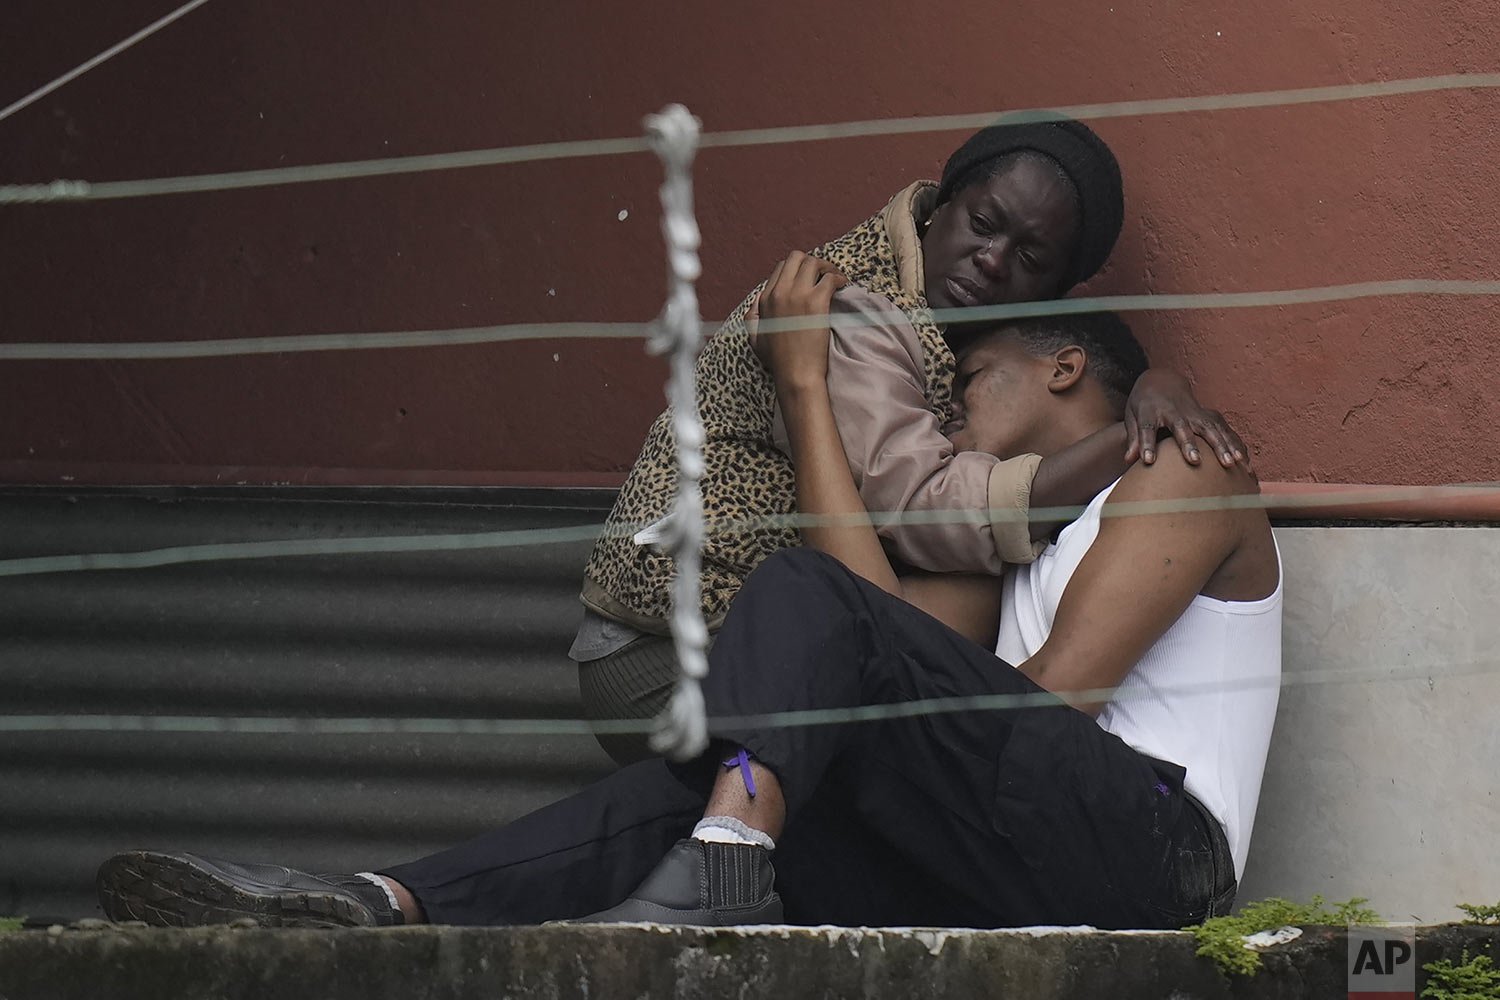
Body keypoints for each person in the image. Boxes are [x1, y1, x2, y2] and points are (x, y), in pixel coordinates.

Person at [96, 294, 1280, 930]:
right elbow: (860, 651)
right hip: (1027, 853)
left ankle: (730, 853)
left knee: (782, 683)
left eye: (971, 382)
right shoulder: (1010, 539)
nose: (953, 420)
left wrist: (847, 687)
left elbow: (1053, 701)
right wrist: (809, 386)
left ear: (1067, 366)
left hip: (1153, 854)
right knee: (701, 775)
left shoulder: (1183, 466)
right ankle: (380, 900)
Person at [575, 115, 1251, 763]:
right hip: (658, 653)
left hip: (730, 634)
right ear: (940, 207)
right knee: (948, 613)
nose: (991, 262)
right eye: (983, 225)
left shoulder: (941, 325)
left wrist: (1155, 383)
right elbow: (920, 502)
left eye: (1029, 258)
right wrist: (1128, 437)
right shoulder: (849, 309)